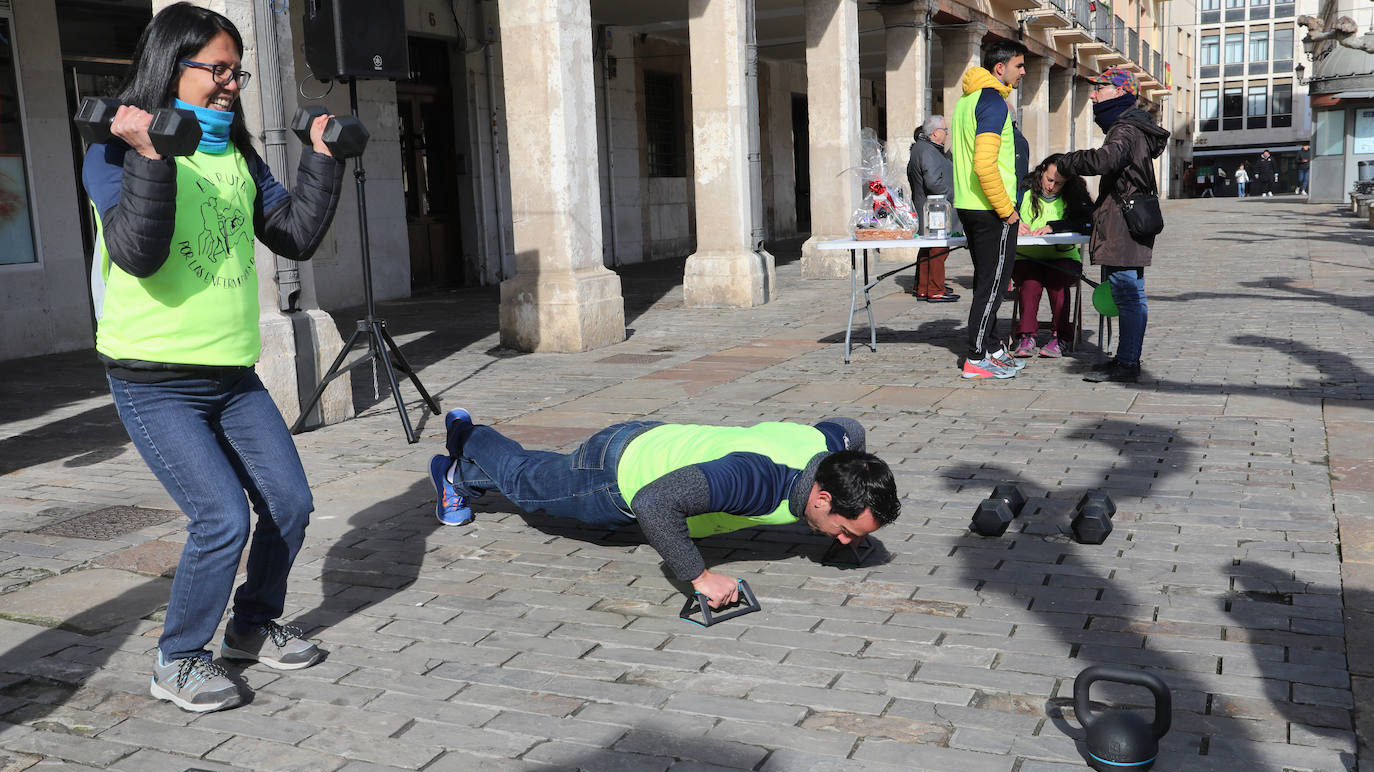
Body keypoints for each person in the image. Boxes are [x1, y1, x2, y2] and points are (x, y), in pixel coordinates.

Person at [82, 3, 345, 712]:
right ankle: (178, 660)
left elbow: (291, 235)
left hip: (231, 373)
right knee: (222, 516)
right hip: (154, 377)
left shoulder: (232, 149)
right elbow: (138, 251)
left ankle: (252, 629)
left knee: (290, 503)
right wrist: (149, 155)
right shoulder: (113, 145)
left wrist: (322, 161)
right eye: (217, 69)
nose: (232, 82)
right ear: (173, 63)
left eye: (238, 70)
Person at [429, 410, 900, 609]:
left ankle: (461, 477)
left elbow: (849, 426)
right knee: (527, 483)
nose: (847, 541)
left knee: (540, 476)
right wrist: (700, 577)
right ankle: (469, 437)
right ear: (821, 498)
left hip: (658, 438)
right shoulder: (758, 483)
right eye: (844, 529)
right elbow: (653, 504)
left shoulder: (829, 448)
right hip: (614, 478)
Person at [1058, 67, 1169, 385]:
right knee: (1130, 294)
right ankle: (1124, 358)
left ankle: (1128, 362)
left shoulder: (1124, 130)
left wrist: (1069, 161)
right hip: (1129, 223)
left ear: (1119, 92)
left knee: (1129, 295)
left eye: (1099, 88)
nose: (1092, 94)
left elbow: (1105, 160)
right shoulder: (1133, 128)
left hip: (1123, 226)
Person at [951, 38, 1031, 380]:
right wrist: (1007, 210)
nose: (1023, 71)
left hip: (971, 206)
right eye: (1019, 65)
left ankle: (993, 346)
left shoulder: (966, 101)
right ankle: (976, 356)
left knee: (990, 281)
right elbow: (985, 165)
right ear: (1000, 68)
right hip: (990, 209)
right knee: (993, 286)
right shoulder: (993, 103)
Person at [1010, 155, 1093, 359]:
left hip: (1063, 258)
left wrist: (1054, 227)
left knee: (1057, 281)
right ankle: (1026, 335)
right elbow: (1006, 211)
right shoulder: (1024, 190)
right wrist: (1015, 222)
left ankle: (1060, 336)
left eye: (1058, 184)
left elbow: (1088, 220)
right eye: (1049, 180)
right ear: (1042, 171)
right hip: (1026, 257)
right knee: (1030, 281)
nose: (1051, 186)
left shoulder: (1075, 195)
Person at [906, 115, 959, 303]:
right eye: (945, 131)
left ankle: (923, 287)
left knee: (929, 248)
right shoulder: (926, 150)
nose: (946, 134)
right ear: (935, 133)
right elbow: (933, 182)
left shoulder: (926, 148)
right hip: (934, 209)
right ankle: (935, 289)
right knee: (938, 249)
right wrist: (954, 195)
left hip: (930, 208)